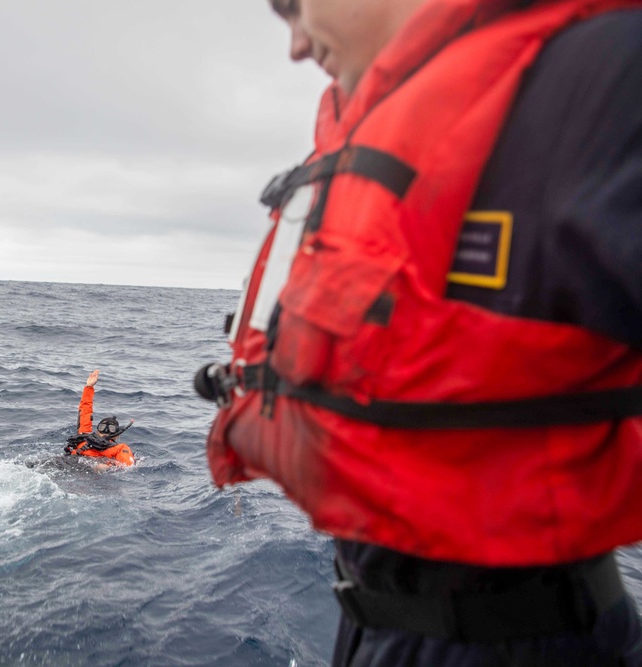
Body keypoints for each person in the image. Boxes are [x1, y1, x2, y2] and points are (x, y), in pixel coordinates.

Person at [196, 0, 642, 664]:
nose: (293, 45)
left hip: (526, 637)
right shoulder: (381, 137)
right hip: (375, 626)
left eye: (293, 7)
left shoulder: (601, 80)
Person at [66, 369, 135, 466]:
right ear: (117, 435)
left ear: (97, 430)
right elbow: (128, 466)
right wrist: (108, 466)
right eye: (104, 427)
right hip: (89, 472)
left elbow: (85, 411)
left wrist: (89, 387)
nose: (105, 431)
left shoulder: (83, 437)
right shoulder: (120, 448)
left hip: (68, 463)